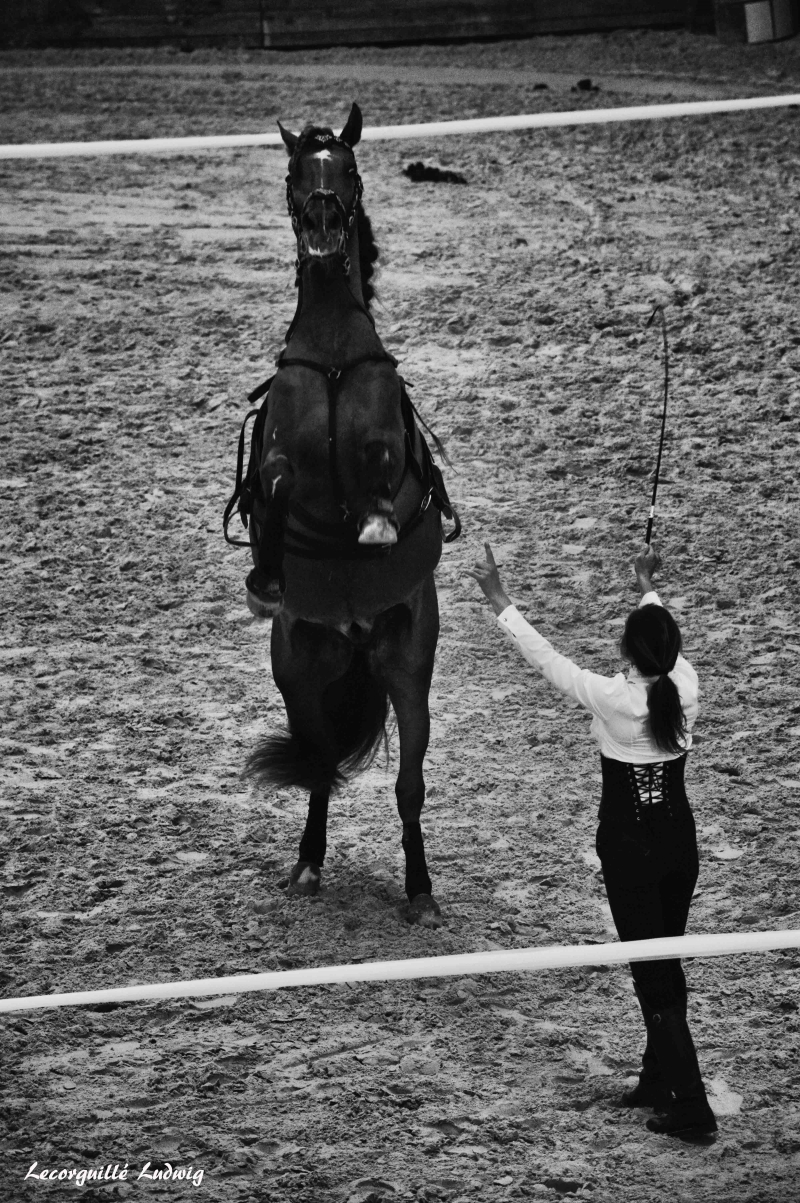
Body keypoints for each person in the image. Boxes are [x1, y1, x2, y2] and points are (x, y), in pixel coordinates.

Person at [466, 540, 717, 1139]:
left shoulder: (611, 697)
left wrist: (500, 599)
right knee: (663, 964)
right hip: (680, 845)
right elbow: (664, 636)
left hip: (630, 848)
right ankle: (659, 1077)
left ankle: (692, 1106)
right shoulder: (685, 682)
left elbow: (546, 657)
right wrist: (645, 583)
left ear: (630, 653)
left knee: (653, 974)